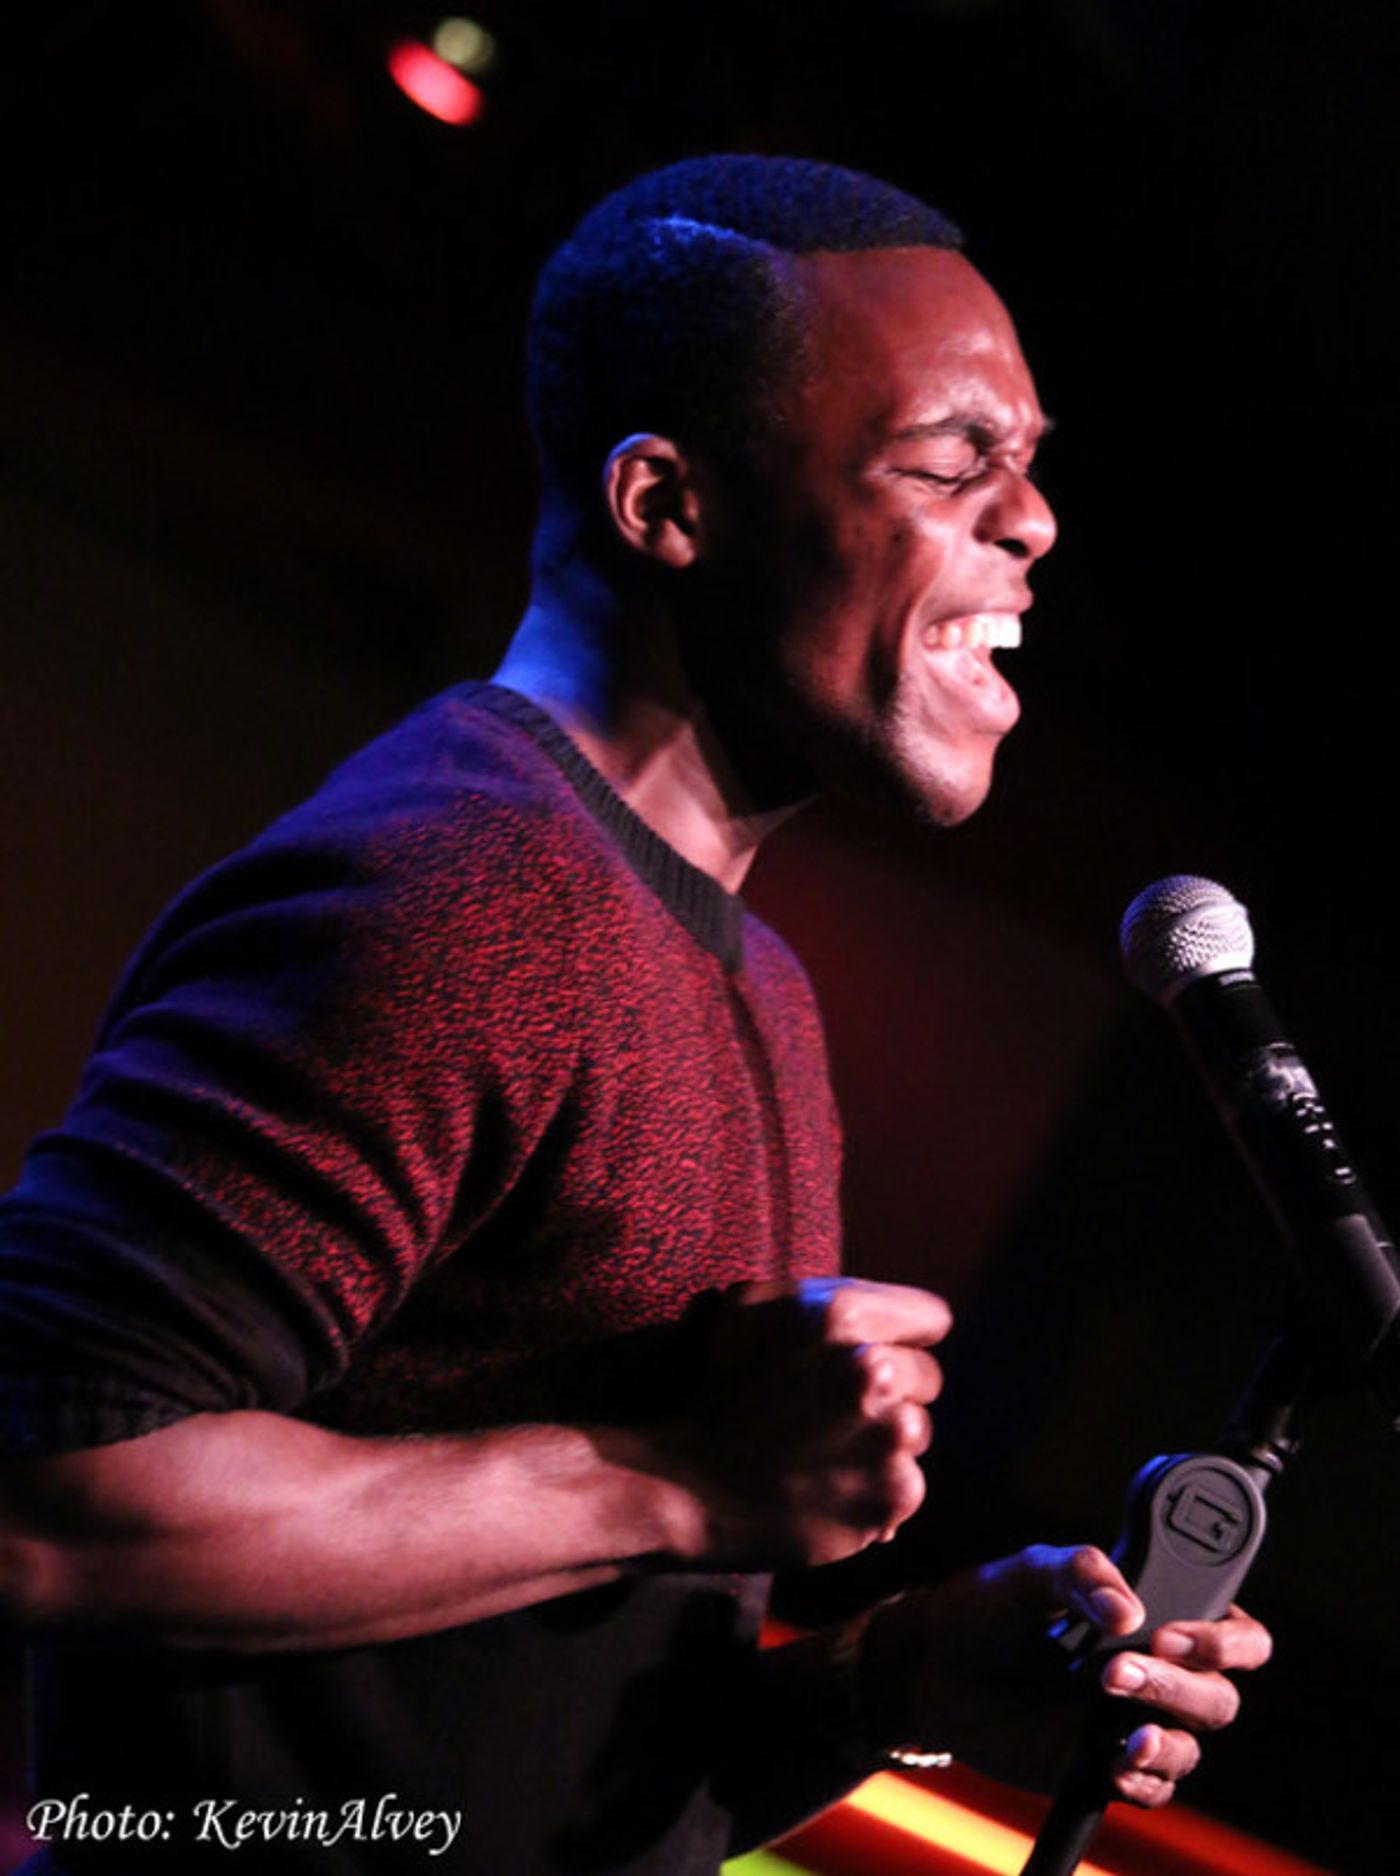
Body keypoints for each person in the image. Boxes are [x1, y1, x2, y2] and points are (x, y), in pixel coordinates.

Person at [0, 156, 1270, 1874]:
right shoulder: (458, 889)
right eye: (952, 461)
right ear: (668, 505)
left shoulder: (748, 985)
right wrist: (661, 1481)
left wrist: (896, 1677)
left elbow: (534, 1773)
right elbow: (50, 1497)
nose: (1032, 523)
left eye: (1030, 467)